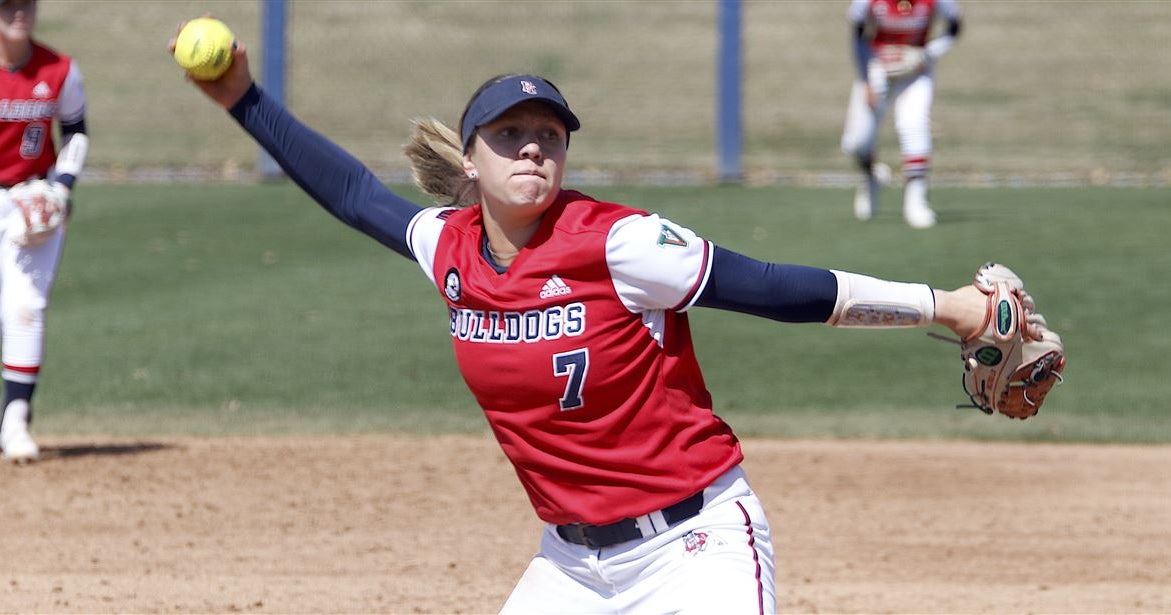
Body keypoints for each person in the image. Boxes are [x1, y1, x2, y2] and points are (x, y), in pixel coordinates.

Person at [174, 30, 995, 614]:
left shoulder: (623, 243)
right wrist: (242, 99)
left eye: (549, 137)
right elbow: (353, 194)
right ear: (470, 159)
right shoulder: (448, 247)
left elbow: (776, 287)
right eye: (509, 136)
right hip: (570, 565)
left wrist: (947, 306)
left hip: (694, 549)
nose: (533, 149)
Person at [0, 0, 88, 463]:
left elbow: (75, 129)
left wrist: (62, 187)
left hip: (31, 201)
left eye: (26, 3)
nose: (19, 12)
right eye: (7, 4)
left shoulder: (59, 69)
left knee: (25, 308)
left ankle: (15, 418)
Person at [840, 0, 963, 229]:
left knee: (913, 125)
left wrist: (926, 54)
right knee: (856, 143)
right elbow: (857, 33)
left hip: (916, 70)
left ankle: (916, 201)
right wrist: (867, 78)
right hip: (877, 67)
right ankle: (872, 175)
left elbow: (955, 26)